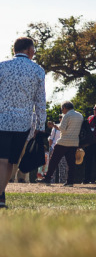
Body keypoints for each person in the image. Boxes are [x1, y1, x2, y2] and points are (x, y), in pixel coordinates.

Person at [0, 37, 47, 208]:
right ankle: (1, 195)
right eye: (33, 49)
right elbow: (40, 101)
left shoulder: (2, 66)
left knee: (1, 160)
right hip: (22, 123)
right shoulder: (38, 70)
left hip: (1, 119)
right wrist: (40, 126)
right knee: (12, 161)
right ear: (28, 50)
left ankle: (1, 194)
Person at [44, 101, 84, 186]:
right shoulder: (80, 115)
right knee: (71, 163)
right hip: (74, 142)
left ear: (65, 108)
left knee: (53, 160)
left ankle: (47, 177)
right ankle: (70, 181)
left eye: (62, 109)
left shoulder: (67, 115)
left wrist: (54, 125)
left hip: (64, 141)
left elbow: (62, 128)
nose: (62, 111)